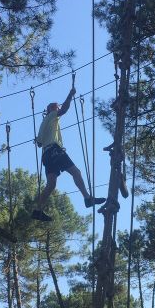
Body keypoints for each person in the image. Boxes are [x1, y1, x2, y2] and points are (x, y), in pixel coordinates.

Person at [32, 84, 105, 221]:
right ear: (52, 109)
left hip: (47, 156)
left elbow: (40, 143)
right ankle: (87, 198)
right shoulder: (52, 116)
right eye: (56, 107)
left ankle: (37, 210)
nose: (58, 108)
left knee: (51, 184)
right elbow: (64, 109)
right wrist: (71, 95)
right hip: (55, 151)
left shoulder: (44, 123)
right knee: (76, 172)